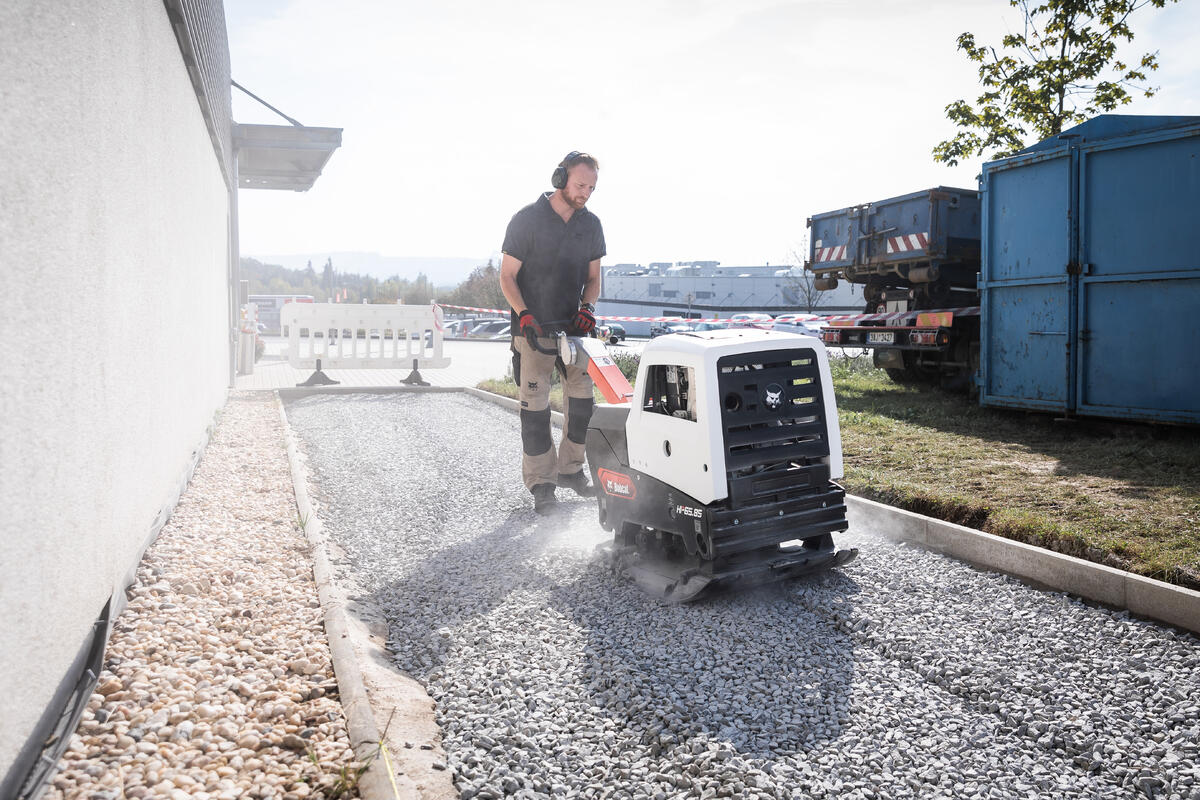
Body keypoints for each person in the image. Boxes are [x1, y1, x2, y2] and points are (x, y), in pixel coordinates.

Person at [499, 151, 605, 514]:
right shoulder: (527, 220)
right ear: (560, 178)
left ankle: (571, 471)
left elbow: (594, 279)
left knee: (582, 405)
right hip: (533, 330)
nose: (585, 193)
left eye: (591, 187)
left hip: (573, 330)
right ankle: (542, 484)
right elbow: (507, 276)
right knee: (535, 409)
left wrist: (587, 309)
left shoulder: (590, 225)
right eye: (580, 185)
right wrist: (524, 314)